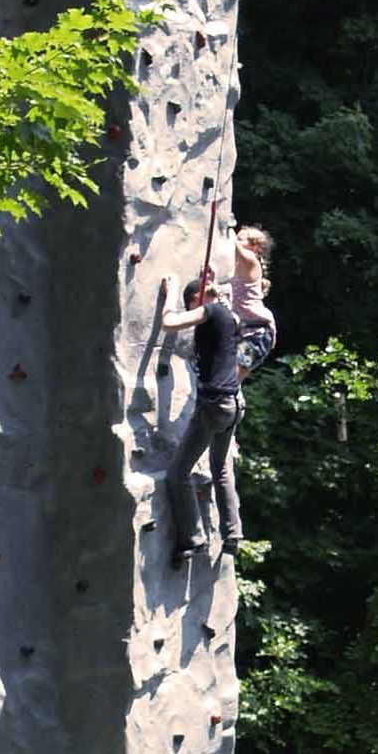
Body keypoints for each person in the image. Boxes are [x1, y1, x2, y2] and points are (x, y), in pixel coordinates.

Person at [159, 275, 243, 564]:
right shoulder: (229, 318)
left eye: (190, 304)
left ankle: (194, 538)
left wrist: (169, 296)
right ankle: (232, 533)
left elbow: (169, 322)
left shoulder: (214, 310)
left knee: (177, 473)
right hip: (233, 401)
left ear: (197, 300)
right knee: (220, 469)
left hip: (214, 404)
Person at [231, 225, 277, 381]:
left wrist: (225, 228)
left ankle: (231, 403)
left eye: (240, 239)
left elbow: (232, 244)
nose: (235, 239)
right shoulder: (234, 267)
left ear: (254, 247)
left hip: (258, 334)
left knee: (232, 377)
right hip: (243, 332)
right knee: (226, 378)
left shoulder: (251, 262)